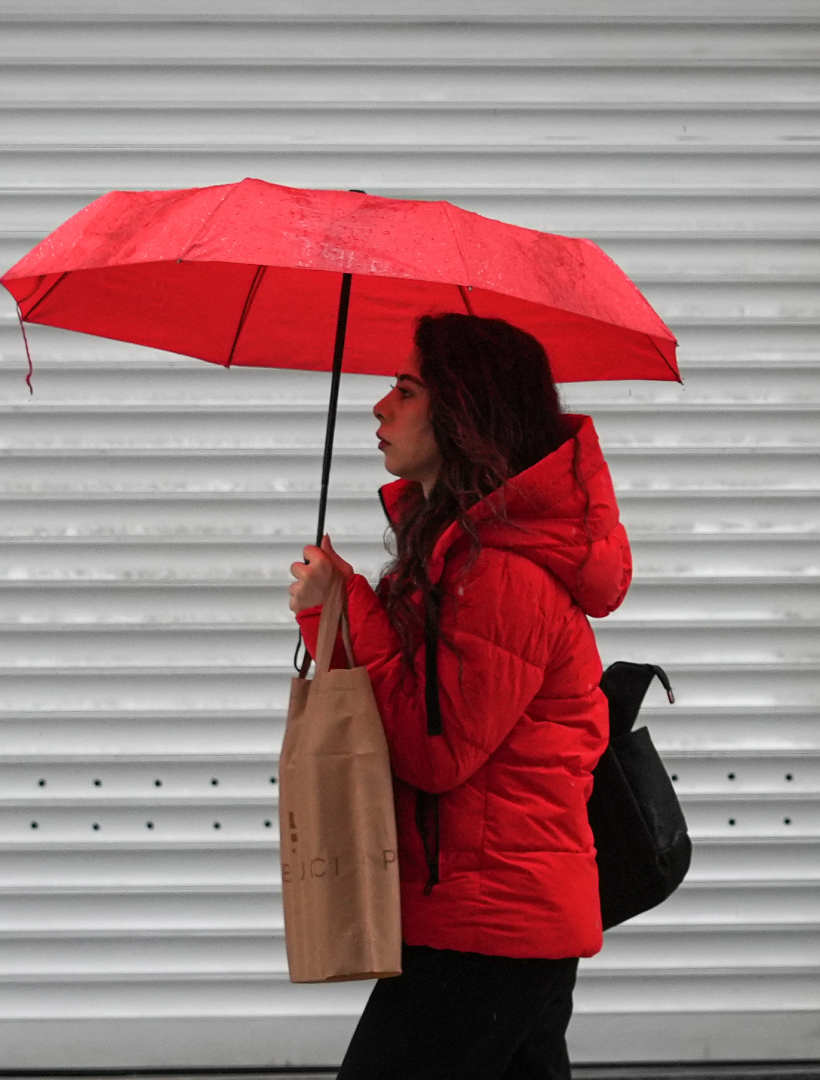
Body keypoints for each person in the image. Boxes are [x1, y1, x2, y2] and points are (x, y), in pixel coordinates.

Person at [286, 313, 631, 1080]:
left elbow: (435, 750)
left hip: (488, 930)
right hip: (488, 923)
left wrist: (340, 604)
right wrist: (337, 610)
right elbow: (406, 699)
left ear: (464, 414)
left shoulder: (502, 577)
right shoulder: (459, 556)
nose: (380, 407)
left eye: (406, 390)